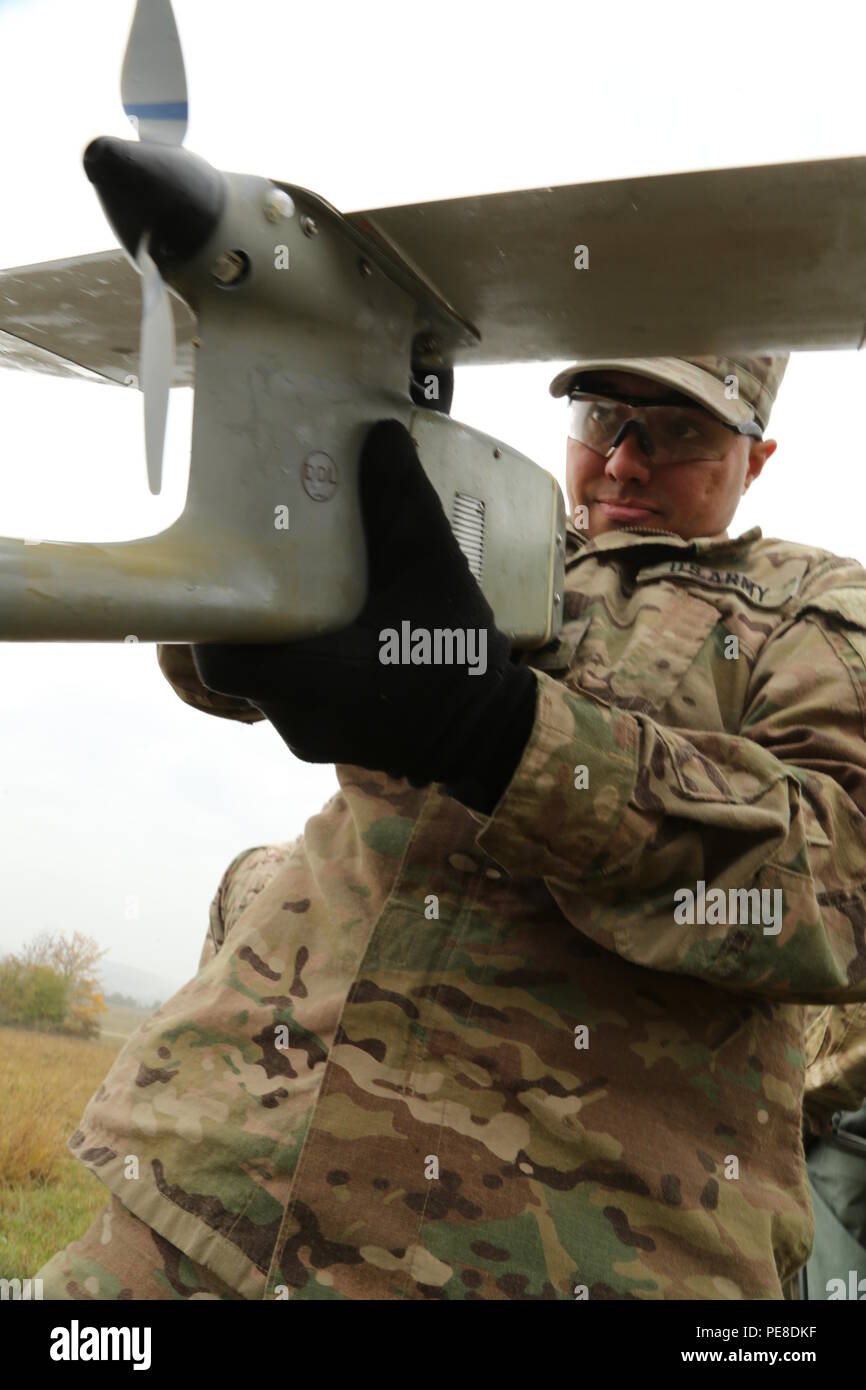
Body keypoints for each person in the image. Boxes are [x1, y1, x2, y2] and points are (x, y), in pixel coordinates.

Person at [36, 352, 866, 1301]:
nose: (626, 463)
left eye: (679, 433)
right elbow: (231, 672)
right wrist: (274, 541)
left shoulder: (811, 607)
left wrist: (506, 734)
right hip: (215, 1190)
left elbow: (840, 888)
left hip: (562, 1249)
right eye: (602, 419)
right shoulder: (492, 531)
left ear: (756, 458)